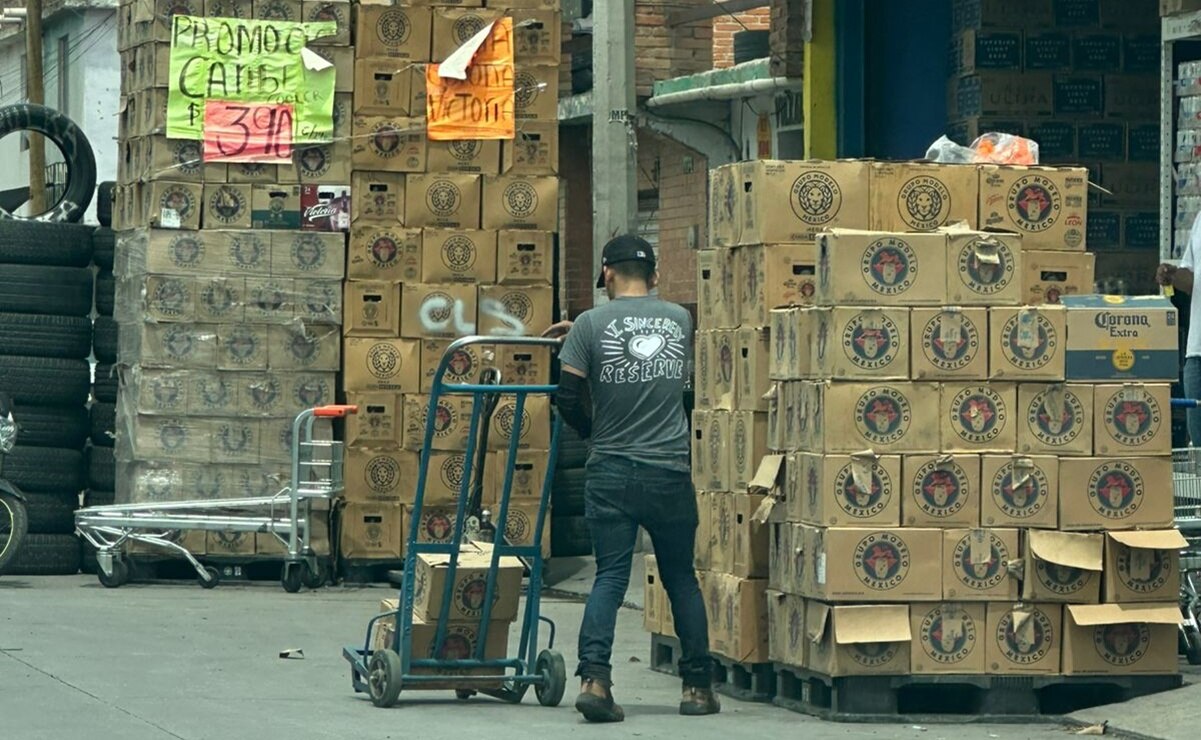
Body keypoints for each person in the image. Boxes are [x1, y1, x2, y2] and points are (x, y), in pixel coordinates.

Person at [544, 235, 719, 723]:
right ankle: (698, 689)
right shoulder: (680, 320)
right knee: (681, 578)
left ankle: (595, 682)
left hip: (611, 471)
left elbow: (567, 398)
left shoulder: (588, 325)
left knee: (610, 576)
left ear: (606, 273)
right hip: (669, 472)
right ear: (655, 275)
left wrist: (594, 433)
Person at [1158, 250, 1200, 445]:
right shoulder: (1198, 230)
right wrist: (1173, 275)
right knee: (1198, 435)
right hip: (1197, 351)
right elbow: (1192, 282)